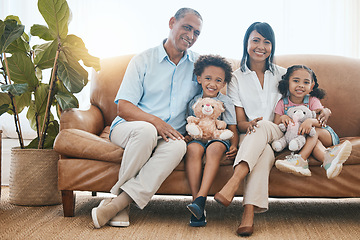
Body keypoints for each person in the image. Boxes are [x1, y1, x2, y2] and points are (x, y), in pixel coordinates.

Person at [213, 22, 329, 237]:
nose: (261, 46)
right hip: (251, 133)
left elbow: (306, 98)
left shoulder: (284, 74)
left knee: (267, 125)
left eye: (267, 42)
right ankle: (248, 214)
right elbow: (240, 123)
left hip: (280, 132)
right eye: (255, 40)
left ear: (272, 46)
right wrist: (251, 124)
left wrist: (323, 111)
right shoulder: (236, 77)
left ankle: (233, 183)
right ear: (246, 43)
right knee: (264, 150)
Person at [91, 8, 203, 229]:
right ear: (172, 23)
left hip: (171, 134)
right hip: (130, 127)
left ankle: (118, 204)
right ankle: (121, 204)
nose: (191, 36)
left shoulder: (198, 65)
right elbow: (123, 107)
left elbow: (210, 98)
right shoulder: (142, 60)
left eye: (197, 33)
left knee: (178, 147)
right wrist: (156, 122)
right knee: (146, 131)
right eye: (187, 27)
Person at [184, 55, 239, 227]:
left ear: (223, 84)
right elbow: (191, 124)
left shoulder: (226, 102)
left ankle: (201, 199)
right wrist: (188, 137)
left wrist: (235, 144)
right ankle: (197, 204)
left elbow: (232, 128)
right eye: (208, 78)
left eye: (218, 80)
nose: (212, 84)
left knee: (213, 150)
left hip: (218, 138)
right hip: (198, 138)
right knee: (193, 150)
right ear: (199, 78)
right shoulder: (194, 102)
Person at [273, 65, 352, 178]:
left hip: (324, 134)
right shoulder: (282, 103)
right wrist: (282, 118)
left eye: (306, 82)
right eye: (296, 81)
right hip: (302, 140)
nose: (300, 85)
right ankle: (328, 160)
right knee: (313, 142)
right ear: (287, 83)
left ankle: (301, 160)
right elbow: (276, 126)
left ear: (311, 86)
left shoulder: (312, 100)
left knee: (313, 131)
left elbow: (322, 122)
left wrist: (310, 121)